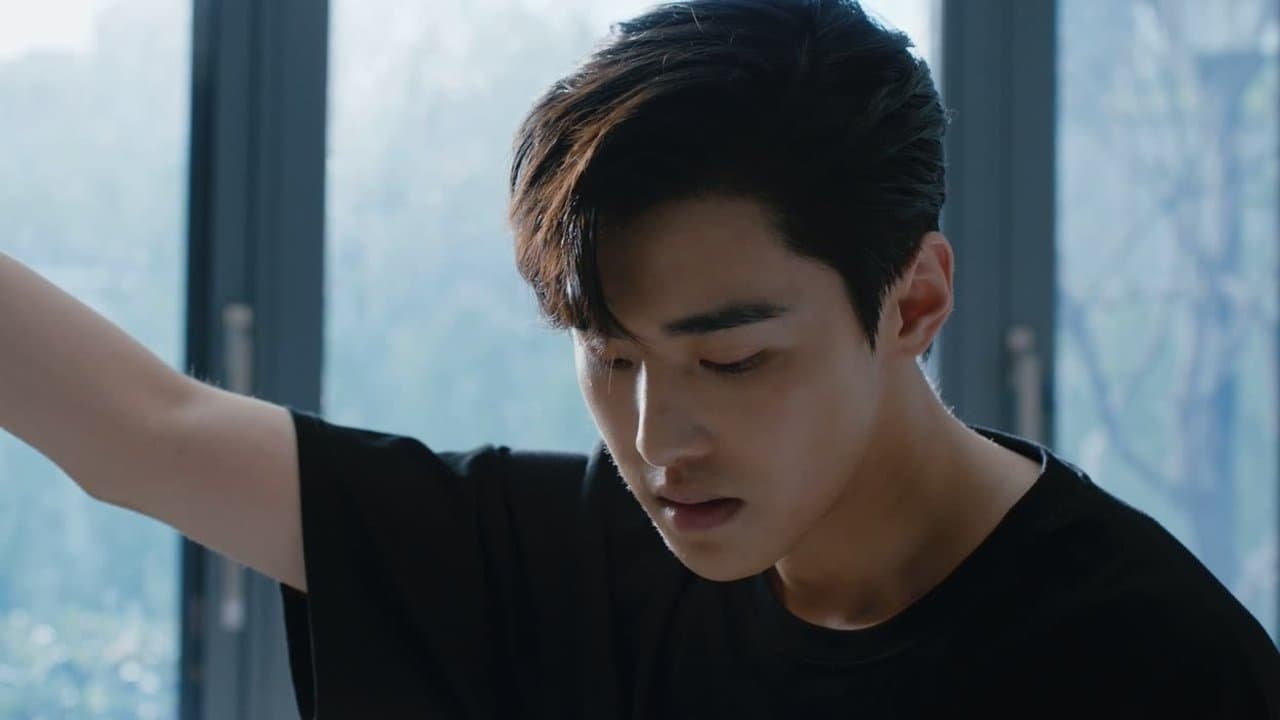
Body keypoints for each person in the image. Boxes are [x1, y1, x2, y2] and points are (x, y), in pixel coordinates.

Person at [2, 0, 1278, 717]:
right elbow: (146, 437)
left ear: (913, 302)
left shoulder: (1148, 664)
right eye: (610, 356)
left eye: (736, 361)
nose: (659, 440)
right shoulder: (593, 558)